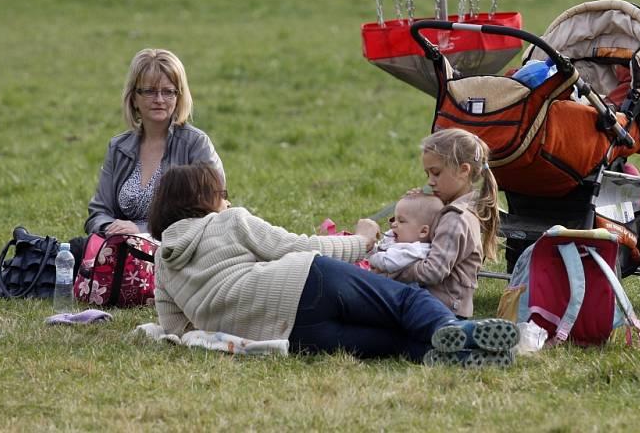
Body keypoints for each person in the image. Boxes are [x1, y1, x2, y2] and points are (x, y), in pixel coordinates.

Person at [148, 163, 519, 368]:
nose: (227, 201)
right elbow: (293, 245)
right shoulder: (228, 220)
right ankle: (455, 331)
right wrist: (361, 240)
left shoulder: (163, 260)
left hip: (288, 335)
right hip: (307, 282)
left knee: (394, 343)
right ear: (207, 198)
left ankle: (460, 356)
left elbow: (175, 328)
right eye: (222, 194)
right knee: (404, 302)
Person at [84, 48, 225, 237]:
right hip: (122, 249)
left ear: (179, 97)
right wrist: (114, 232)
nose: (159, 100)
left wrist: (142, 232)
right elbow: (98, 213)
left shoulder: (196, 144)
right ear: (134, 97)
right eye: (149, 91)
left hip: (178, 252)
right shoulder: (118, 147)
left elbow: (211, 210)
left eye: (168, 92)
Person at [385, 128, 499, 318]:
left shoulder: (455, 217)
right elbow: (422, 238)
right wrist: (413, 210)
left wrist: (392, 269)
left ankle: (462, 336)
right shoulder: (456, 208)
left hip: (440, 310)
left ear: (463, 170)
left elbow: (433, 271)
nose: (430, 181)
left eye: (436, 173)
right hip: (442, 307)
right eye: (427, 174)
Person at [368, 193, 443, 274]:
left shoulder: (416, 251)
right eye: (395, 219)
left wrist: (369, 257)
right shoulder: (399, 239)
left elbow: (387, 262)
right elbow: (381, 248)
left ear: (423, 231)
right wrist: (370, 246)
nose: (393, 224)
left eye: (401, 221)